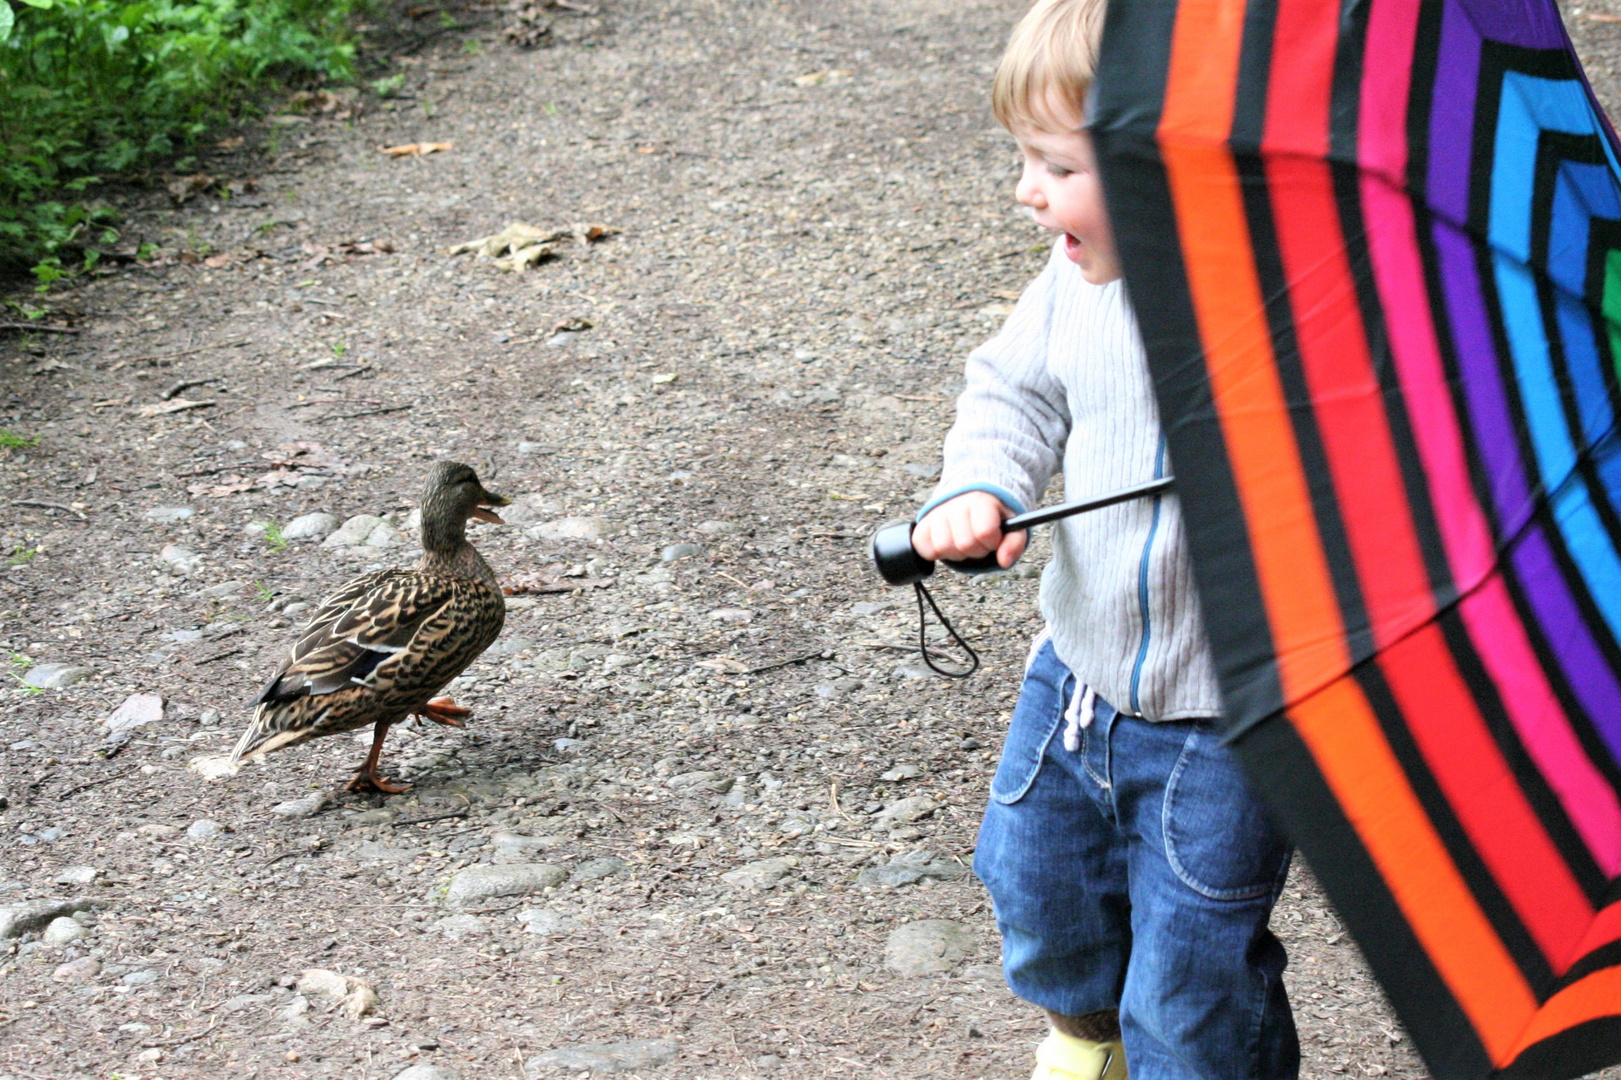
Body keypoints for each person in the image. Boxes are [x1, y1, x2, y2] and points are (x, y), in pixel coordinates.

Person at [910, 1, 1298, 1077]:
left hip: (1230, 727)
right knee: (1036, 888)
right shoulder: (1072, 292)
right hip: (1075, 677)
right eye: (1022, 158)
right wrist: (980, 482)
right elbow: (1013, 390)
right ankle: (1086, 1040)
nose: (1026, 191)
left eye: (1054, 166)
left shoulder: (1285, 315)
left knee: (1191, 974)